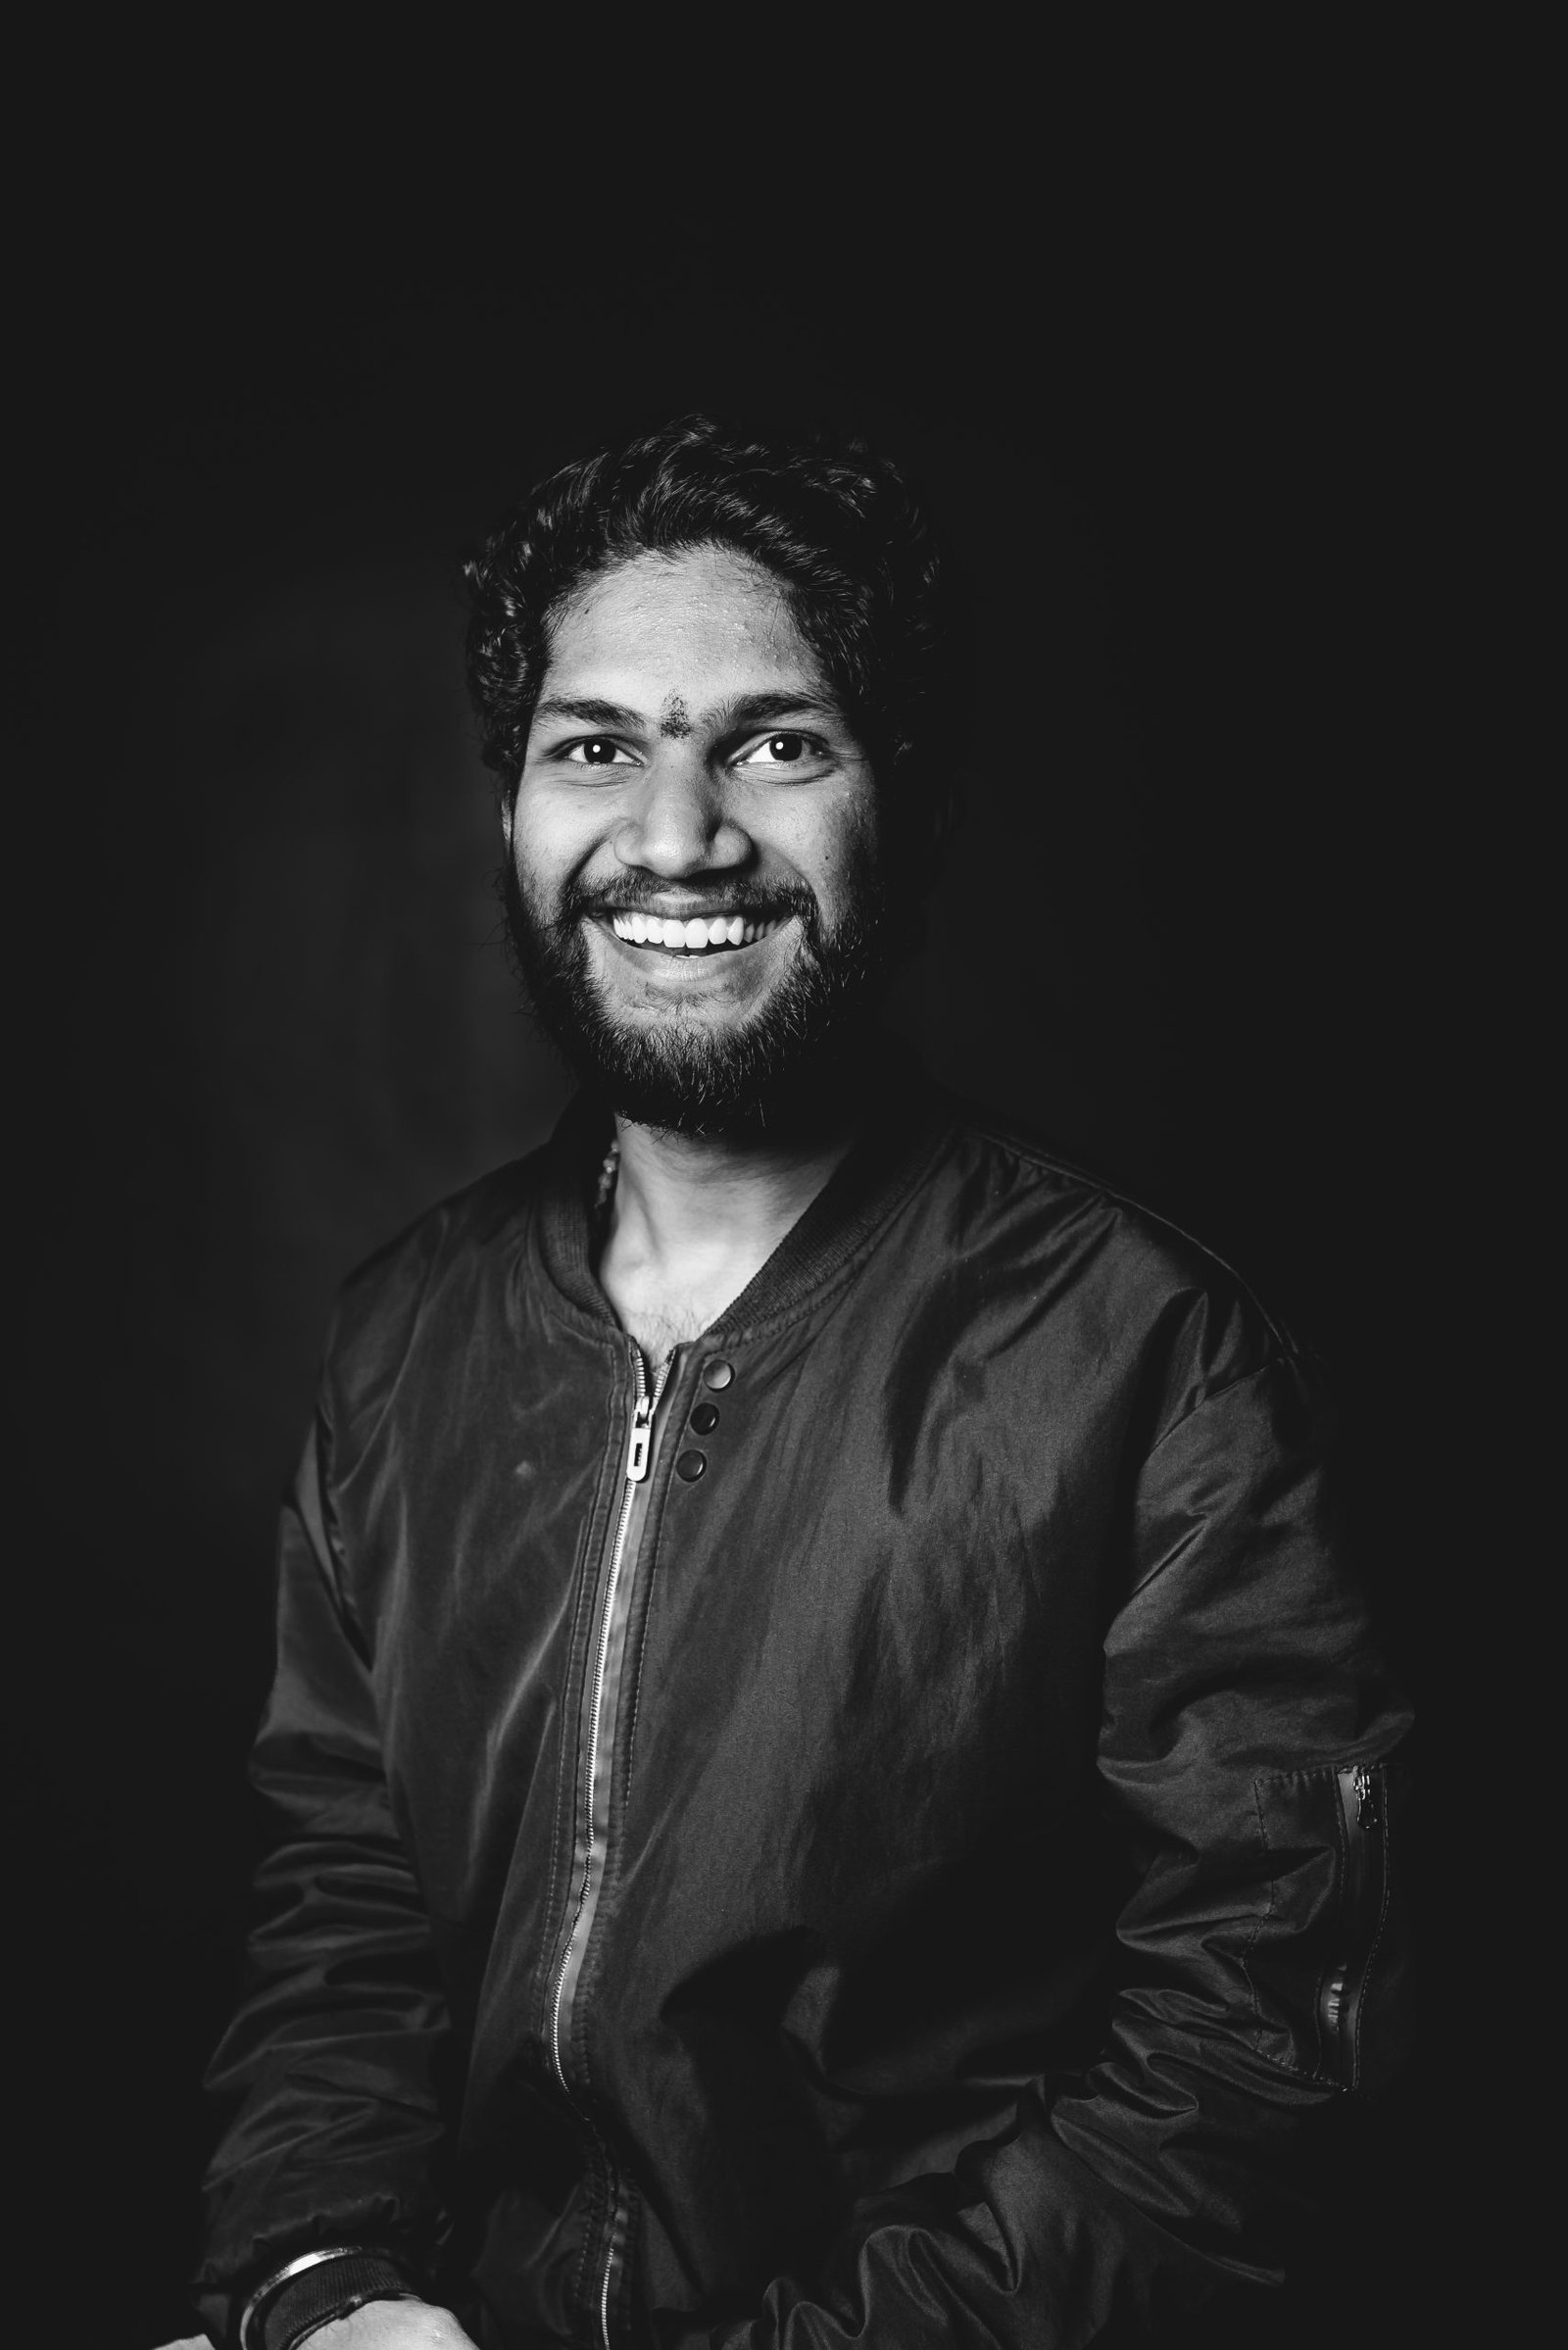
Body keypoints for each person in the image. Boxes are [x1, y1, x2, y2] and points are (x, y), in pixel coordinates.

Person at [180, 416, 1411, 2350]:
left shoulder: (1151, 1358)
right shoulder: (402, 1337)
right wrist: (320, 2281)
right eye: (597, 745)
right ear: (511, 803)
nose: (676, 835)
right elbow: (344, 1912)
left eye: (772, 742)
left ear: (902, 799)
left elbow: (1245, 2063)